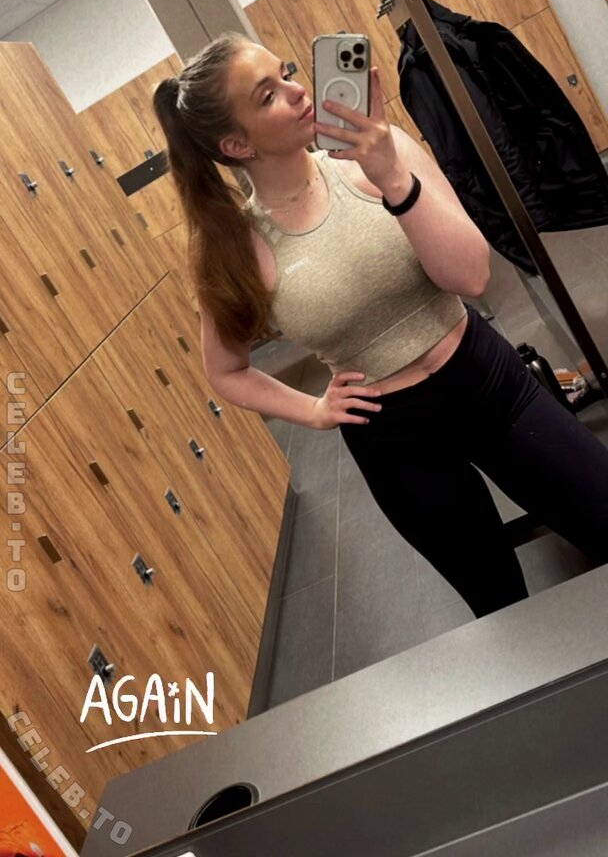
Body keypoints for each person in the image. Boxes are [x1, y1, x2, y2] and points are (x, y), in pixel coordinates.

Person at [153, 31, 608, 619]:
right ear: (237, 144)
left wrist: (393, 177)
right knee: (500, 604)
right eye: (268, 95)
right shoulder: (235, 248)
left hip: (488, 382)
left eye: (287, 73)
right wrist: (314, 410)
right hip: (395, 439)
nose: (297, 91)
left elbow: (472, 276)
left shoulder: (383, 155)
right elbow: (226, 371)